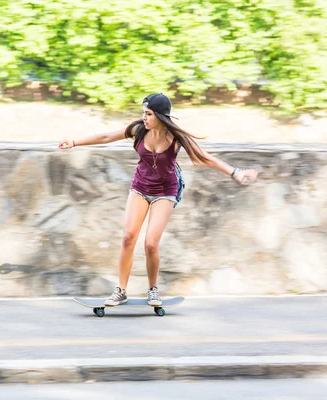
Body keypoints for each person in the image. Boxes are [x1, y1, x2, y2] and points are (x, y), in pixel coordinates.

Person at [58, 93, 258, 307]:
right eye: (143, 113)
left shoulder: (176, 137)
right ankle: (121, 291)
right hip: (140, 188)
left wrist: (234, 172)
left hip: (165, 191)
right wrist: (74, 142)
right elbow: (106, 137)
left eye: (149, 114)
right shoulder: (139, 129)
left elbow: (204, 157)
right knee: (128, 238)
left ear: (161, 116)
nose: (144, 118)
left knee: (151, 243)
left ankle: (153, 291)